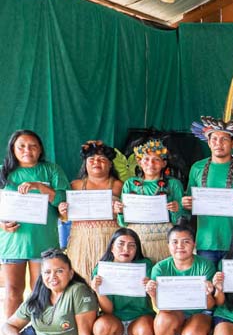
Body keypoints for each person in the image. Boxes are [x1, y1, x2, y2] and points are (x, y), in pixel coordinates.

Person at [0, 248, 120, 335]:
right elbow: (8, 325)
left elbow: (84, 334)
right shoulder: (39, 293)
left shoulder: (78, 291)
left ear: (70, 273)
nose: (53, 277)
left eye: (59, 271)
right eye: (47, 272)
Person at [0, 130, 69, 319]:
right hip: (12, 242)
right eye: (21, 146)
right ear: (12, 149)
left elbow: (63, 201)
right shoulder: (3, 171)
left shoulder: (52, 170)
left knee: (42, 290)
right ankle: (11, 332)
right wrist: (2, 225)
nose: (27, 150)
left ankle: (42, 332)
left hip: (44, 242)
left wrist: (40, 186)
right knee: (13, 290)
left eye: (33, 146)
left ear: (40, 149)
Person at [145, 223, 217, 335]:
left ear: (194, 244)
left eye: (186, 241)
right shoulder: (160, 268)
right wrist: (152, 294)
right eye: (175, 242)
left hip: (199, 312)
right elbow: (160, 307)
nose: (180, 246)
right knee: (162, 319)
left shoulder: (205, 265)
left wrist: (208, 293)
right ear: (168, 245)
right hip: (173, 312)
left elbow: (210, 305)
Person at [183, 117, 233, 265]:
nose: (219, 143)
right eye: (215, 139)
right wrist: (186, 203)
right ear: (209, 142)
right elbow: (188, 202)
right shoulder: (197, 168)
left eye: (224, 139)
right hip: (206, 241)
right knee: (208, 280)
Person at [90, 228, 154, 335]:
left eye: (132, 245)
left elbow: (156, 300)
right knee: (100, 329)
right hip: (114, 321)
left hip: (140, 319)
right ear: (112, 247)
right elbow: (108, 310)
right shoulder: (101, 270)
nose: (126, 249)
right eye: (121, 244)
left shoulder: (145, 266)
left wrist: (151, 287)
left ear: (137, 249)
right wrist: (98, 291)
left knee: (147, 334)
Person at [59, 141, 123, 282]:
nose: (96, 162)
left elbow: (129, 216)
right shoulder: (75, 185)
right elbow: (64, 217)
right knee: (82, 280)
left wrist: (120, 210)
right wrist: (63, 210)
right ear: (85, 163)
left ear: (110, 164)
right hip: (81, 241)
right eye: (92, 159)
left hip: (110, 240)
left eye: (102, 159)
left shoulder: (119, 186)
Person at [116, 139, 184, 264]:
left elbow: (181, 219)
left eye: (156, 160)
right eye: (146, 159)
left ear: (164, 163)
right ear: (139, 161)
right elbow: (123, 223)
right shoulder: (130, 184)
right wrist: (120, 211)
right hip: (137, 241)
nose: (150, 164)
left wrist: (177, 209)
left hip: (163, 240)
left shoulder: (173, 184)